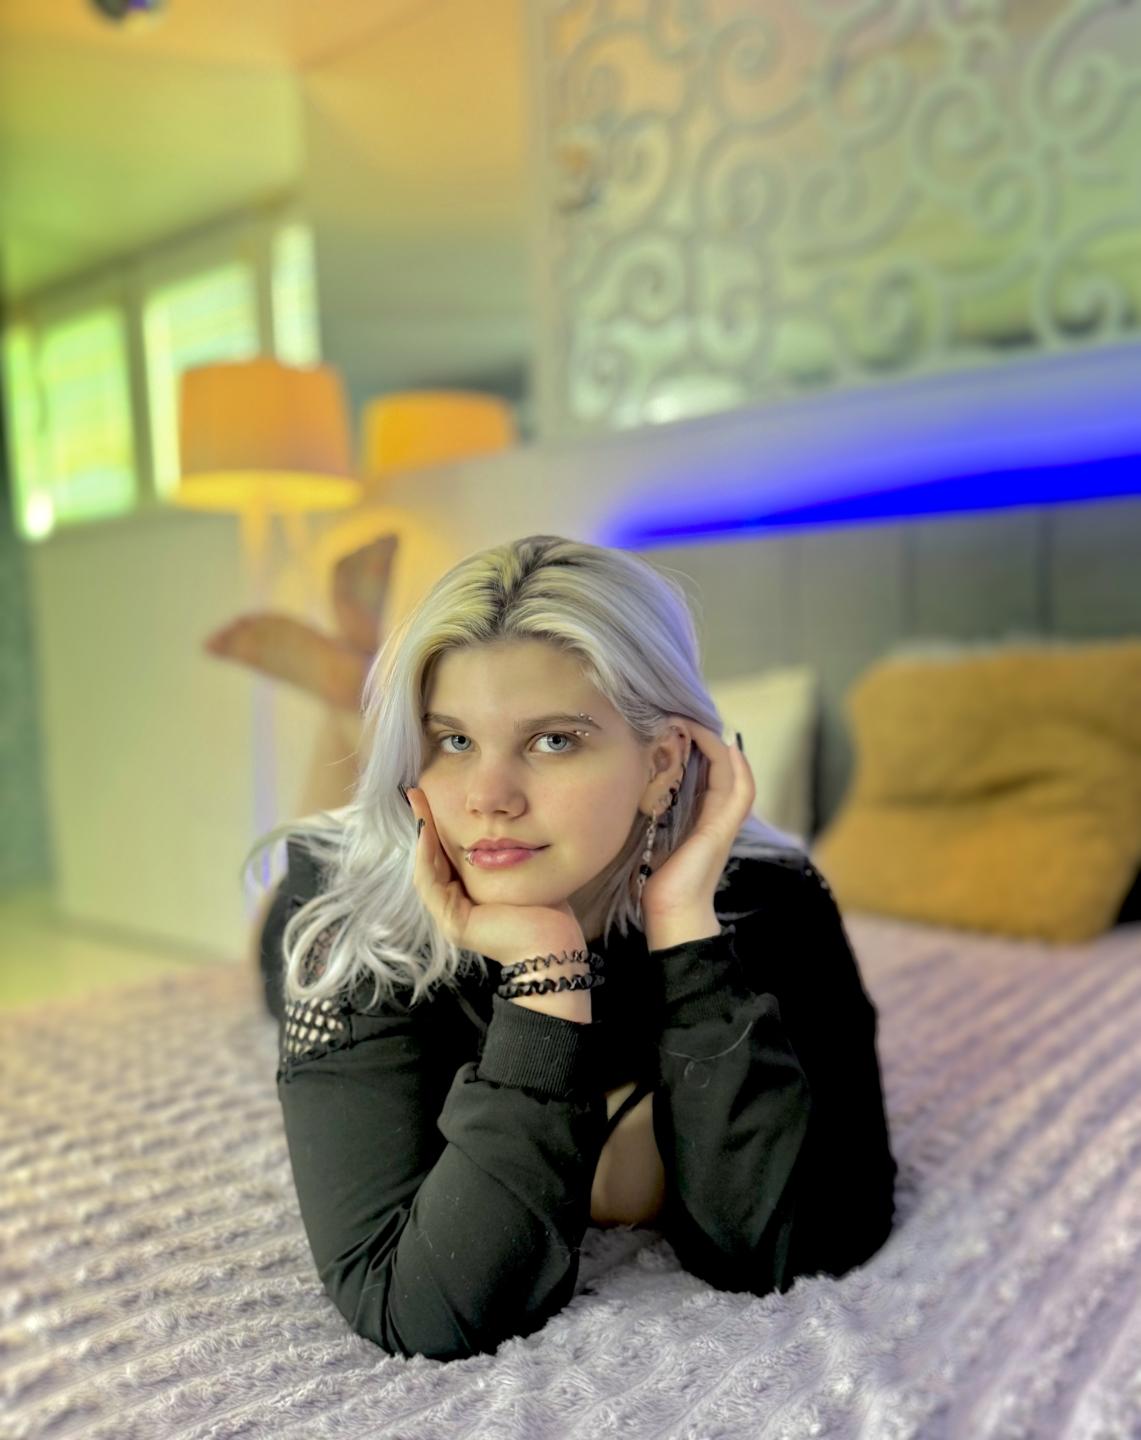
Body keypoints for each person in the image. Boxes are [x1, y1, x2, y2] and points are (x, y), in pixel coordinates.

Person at [247, 533, 897, 1363]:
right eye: (451, 740)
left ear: (661, 764)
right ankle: (351, 698)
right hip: (356, 883)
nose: (487, 799)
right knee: (324, 853)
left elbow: (799, 1246)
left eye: (552, 740)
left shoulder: (770, 900)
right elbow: (416, 1307)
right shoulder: (345, 918)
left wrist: (683, 930)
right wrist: (548, 970)